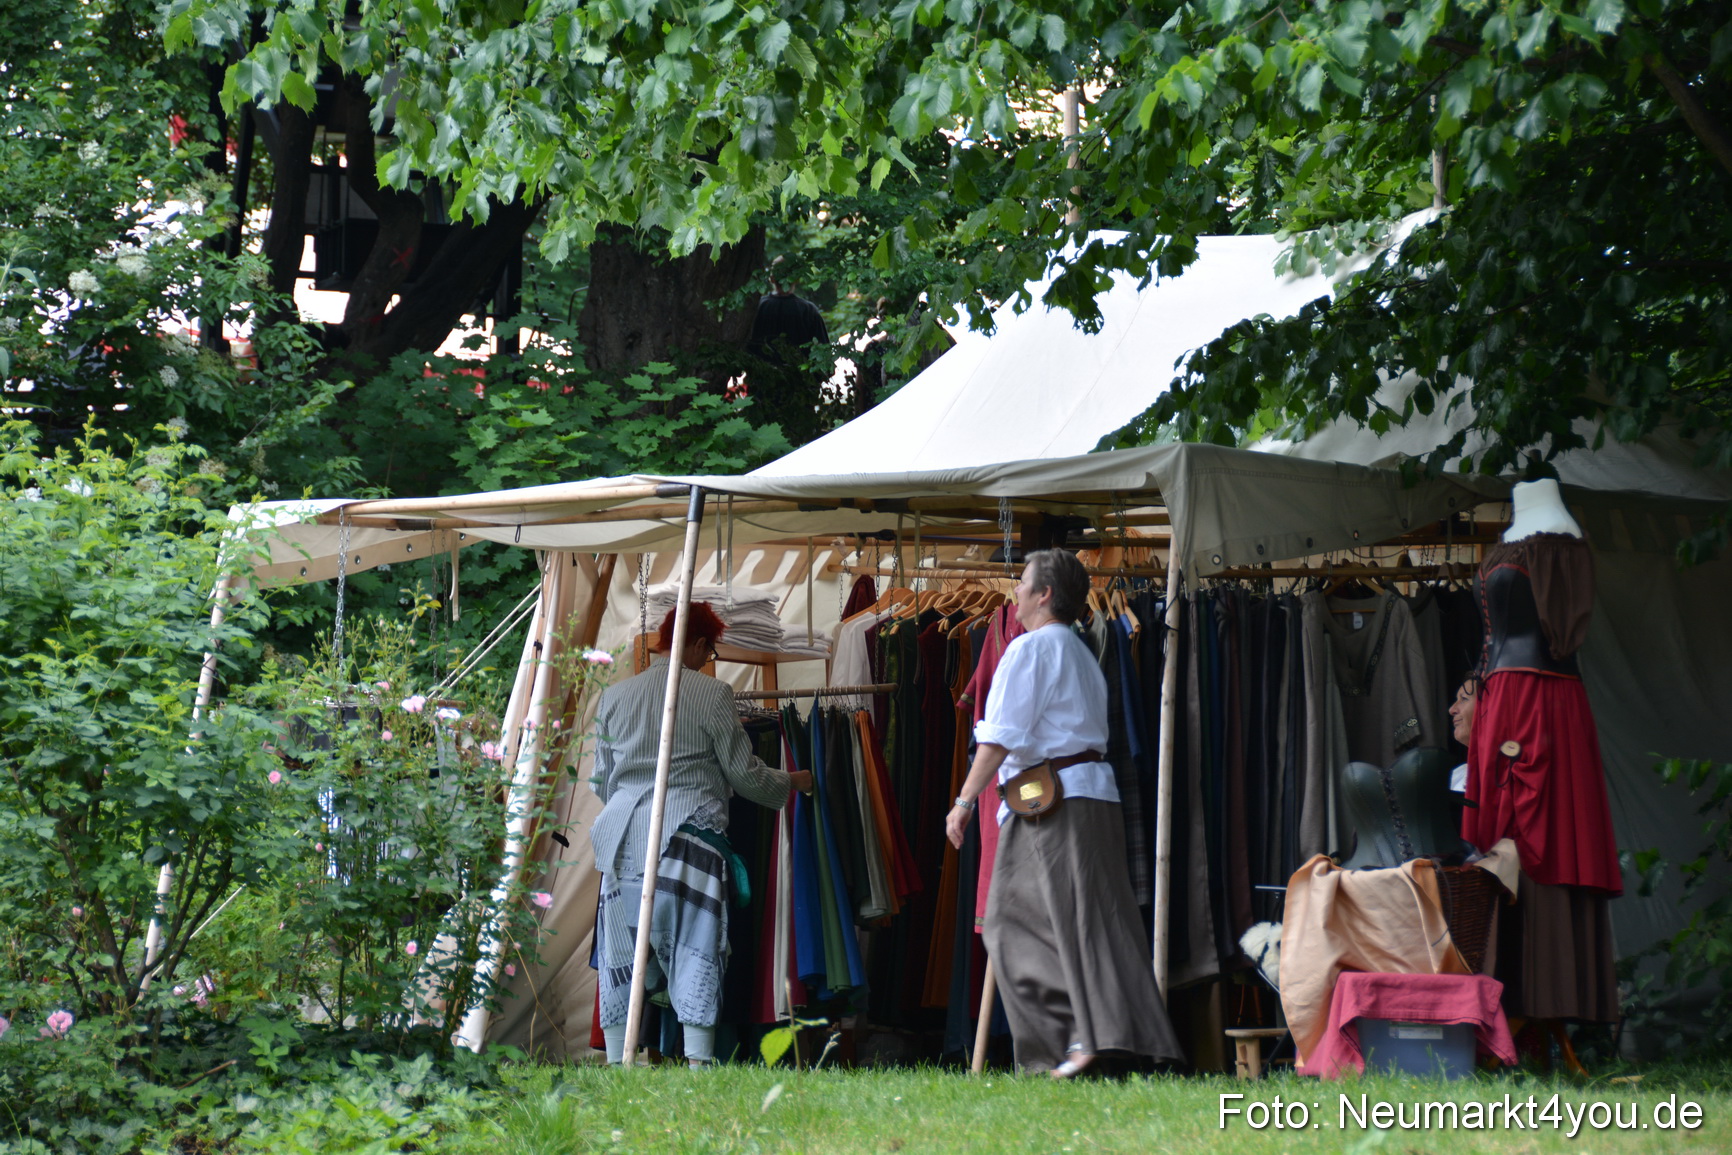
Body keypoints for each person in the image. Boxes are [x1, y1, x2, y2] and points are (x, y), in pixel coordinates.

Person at [945, 550, 1182, 1077]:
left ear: (1045, 594)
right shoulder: (1079, 651)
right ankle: (1104, 1038)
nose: (1015, 592)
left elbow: (1000, 737)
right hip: (1090, 796)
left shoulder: (1029, 649)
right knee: (1093, 922)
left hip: (1051, 805)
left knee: (1010, 923)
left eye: (1023, 583)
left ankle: (1070, 1042)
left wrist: (963, 803)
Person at [589, 603, 812, 1066]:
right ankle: (698, 1067)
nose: (709, 657)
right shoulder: (713, 694)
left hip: (620, 842)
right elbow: (744, 774)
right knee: (696, 950)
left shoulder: (615, 698)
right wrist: (792, 782)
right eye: (709, 648)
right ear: (695, 643)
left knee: (620, 958)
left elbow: (600, 781)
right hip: (689, 836)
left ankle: (616, 1067)